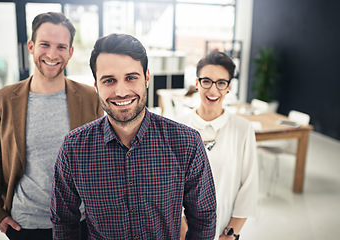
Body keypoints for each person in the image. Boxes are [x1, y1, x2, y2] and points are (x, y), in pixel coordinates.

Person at [50, 33, 217, 239]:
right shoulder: (74, 148)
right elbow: (63, 221)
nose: (121, 92)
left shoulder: (186, 143)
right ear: (96, 86)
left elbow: (204, 218)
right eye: (109, 80)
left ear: (146, 78)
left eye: (131, 78)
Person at [0, 12, 103, 240]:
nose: (52, 54)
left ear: (70, 52)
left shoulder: (90, 97)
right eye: (45, 44)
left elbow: (104, 157)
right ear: (31, 46)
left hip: (81, 222)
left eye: (61, 47)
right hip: (26, 225)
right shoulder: (4, 99)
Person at [178, 51, 258, 240]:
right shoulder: (179, 128)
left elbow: (249, 186)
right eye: (206, 81)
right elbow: (171, 186)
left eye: (221, 83)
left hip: (224, 230)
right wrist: (183, 232)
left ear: (228, 87)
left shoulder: (243, 129)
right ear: (197, 83)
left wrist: (230, 234)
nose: (213, 90)